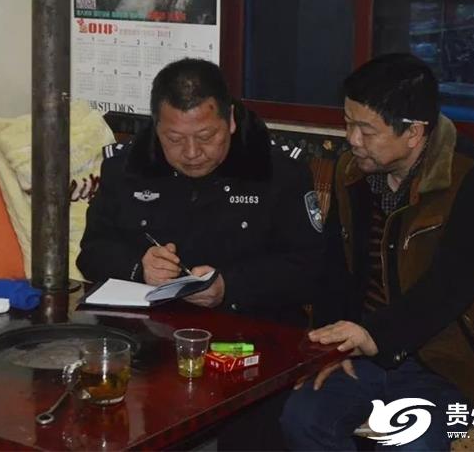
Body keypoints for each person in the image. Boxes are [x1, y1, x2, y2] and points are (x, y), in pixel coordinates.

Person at [280, 53, 474, 450]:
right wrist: (329, 349)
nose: (352, 139)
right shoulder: (352, 172)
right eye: (348, 123)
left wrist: (373, 334)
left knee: (410, 442)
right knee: (302, 417)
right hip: (364, 355)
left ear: (413, 132)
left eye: (366, 130)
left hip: (450, 364)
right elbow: (334, 268)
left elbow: (453, 285)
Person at [77, 58, 323, 326]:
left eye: (206, 137)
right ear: (156, 127)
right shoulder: (128, 168)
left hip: (251, 330)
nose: (192, 153)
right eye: (174, 139)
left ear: (230, 120)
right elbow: (92, 253)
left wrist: (230, 287)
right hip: (148, 332)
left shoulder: (278, 173)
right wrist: (139, 267)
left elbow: (310, 270)